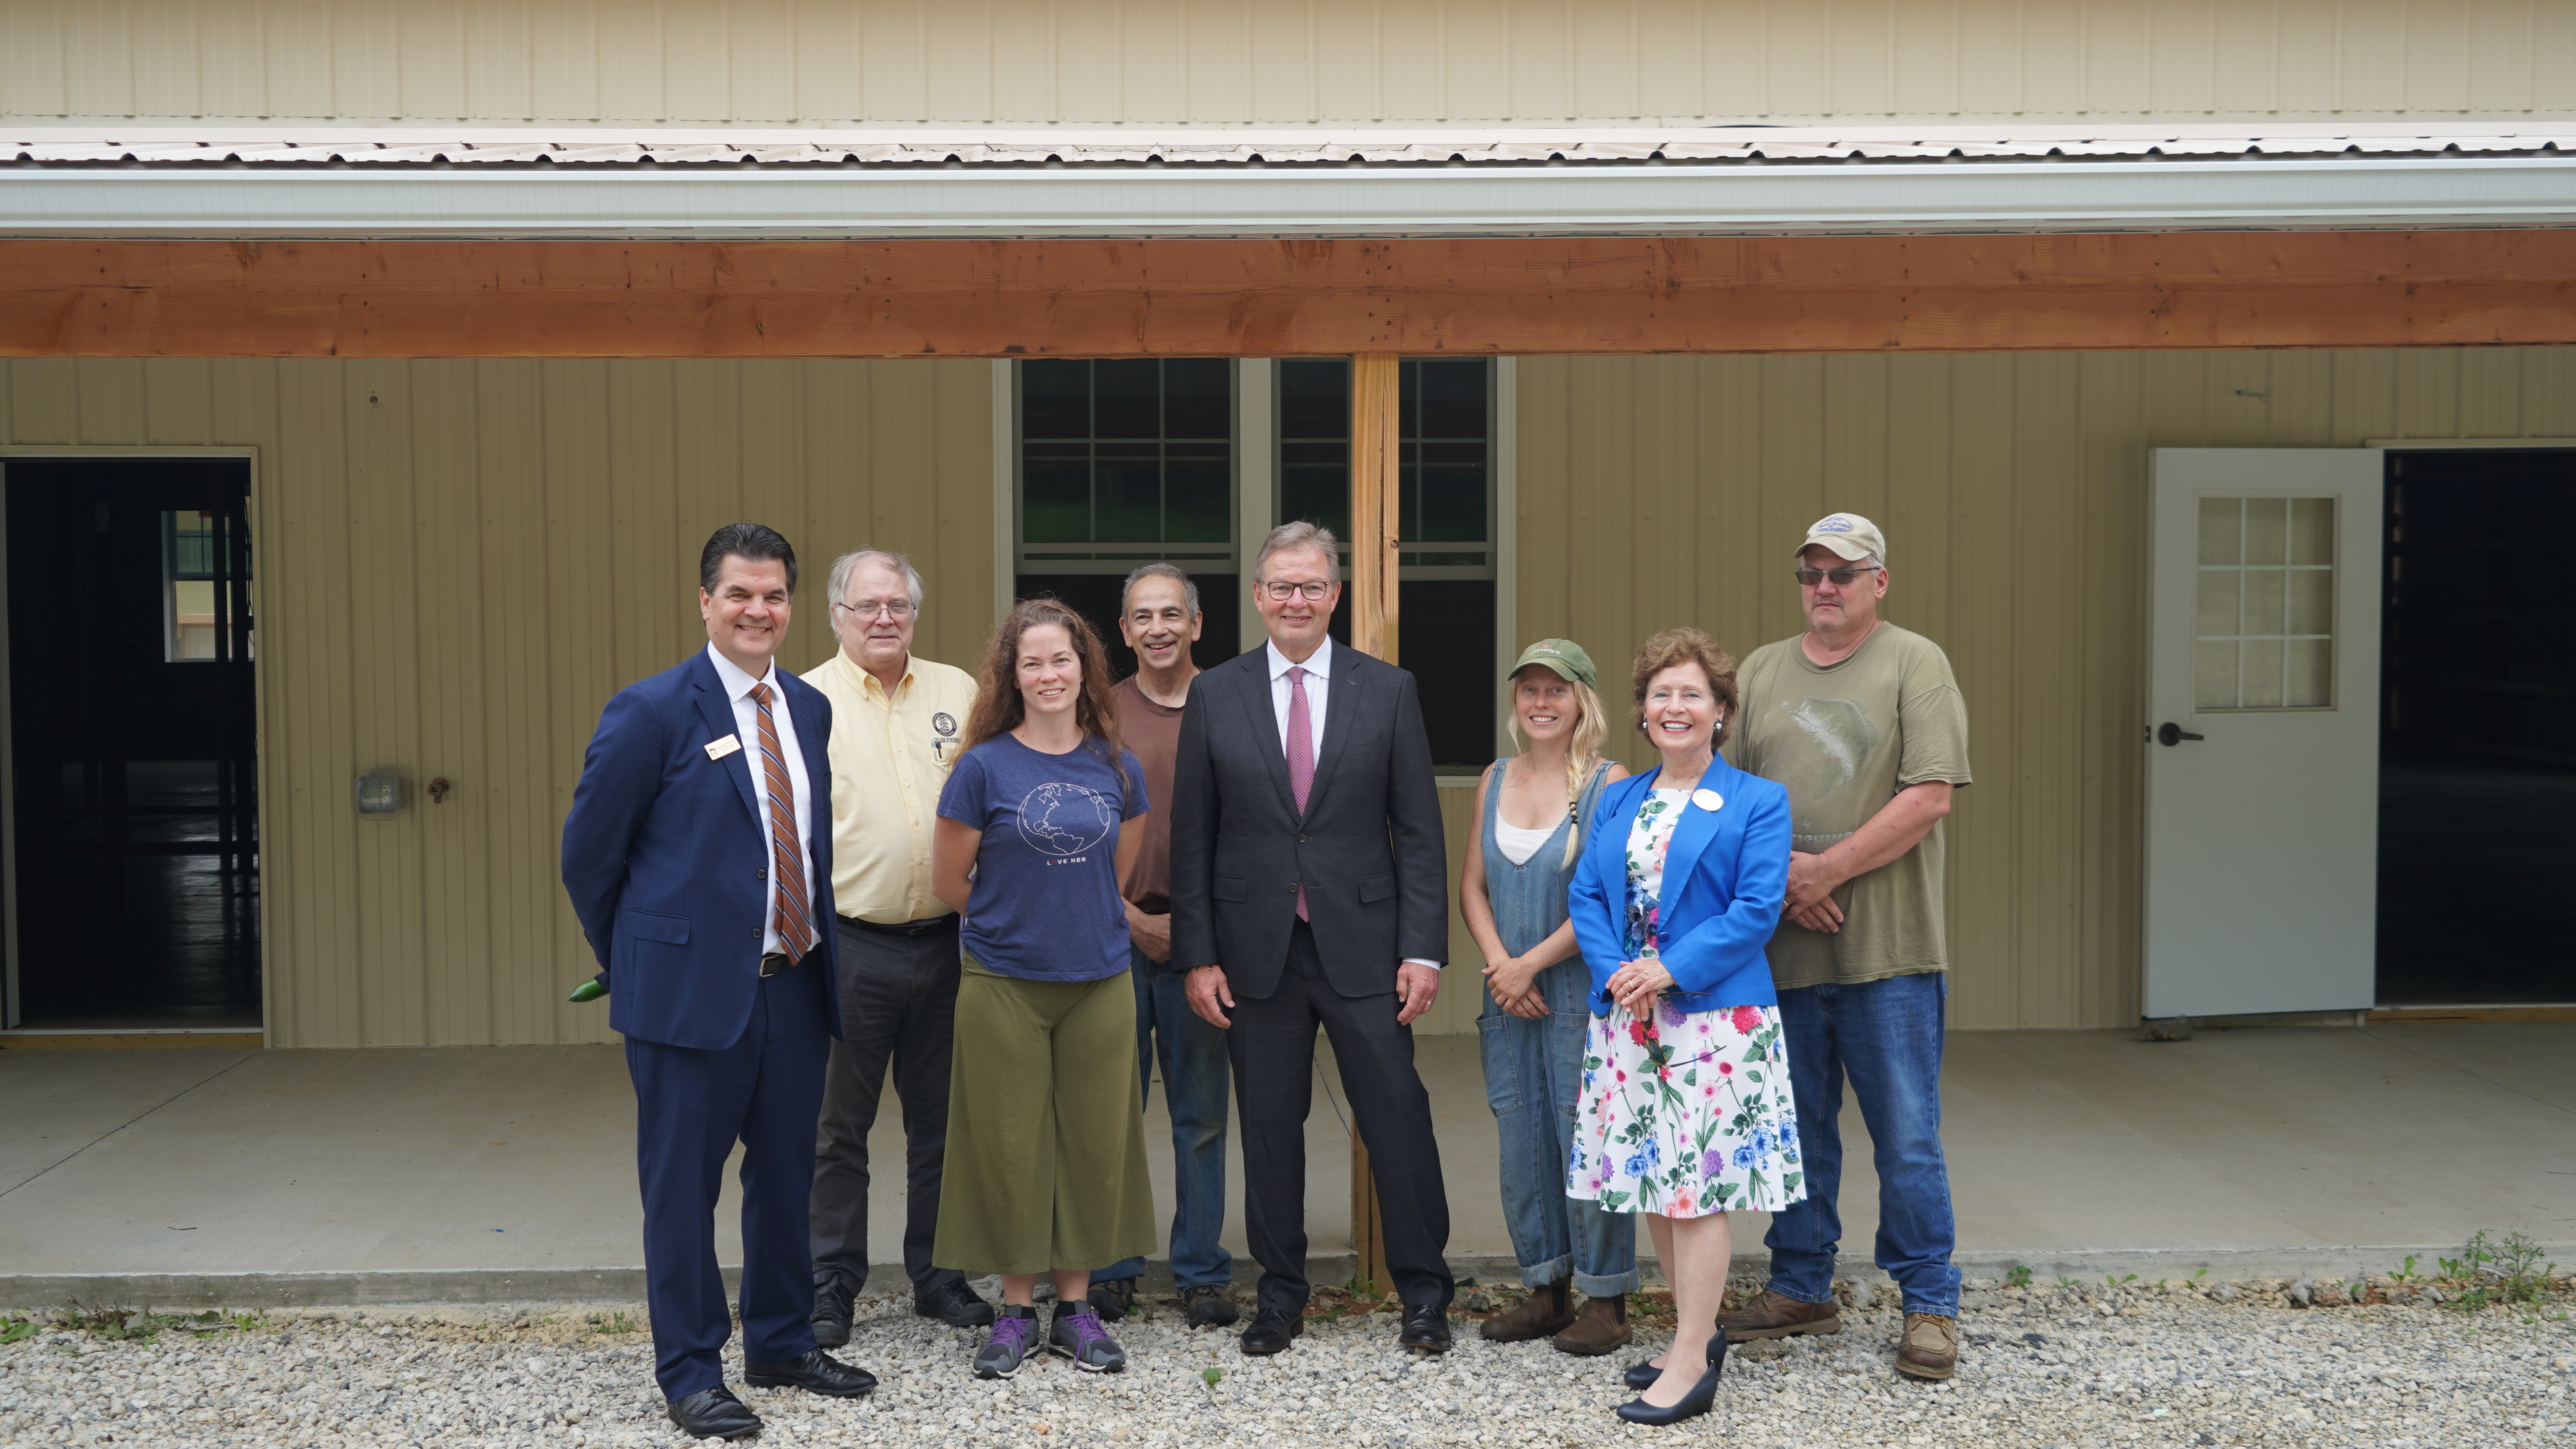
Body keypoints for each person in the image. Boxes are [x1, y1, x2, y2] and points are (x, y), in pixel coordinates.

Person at [560, 522, 878, 1442]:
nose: (758, 609)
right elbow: (591, 858)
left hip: (794, 982)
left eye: (774, 594)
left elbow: (802, 846)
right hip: (688, 996)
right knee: (682, 1189)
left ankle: (781, 1340)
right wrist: (637, 957)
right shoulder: (652, 710)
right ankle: (691, 1370)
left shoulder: (809, 709)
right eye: (740, 593)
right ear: (706, 601)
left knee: (786, 1179)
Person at [1170, 521, 1454, 1358]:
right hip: (1255, 950)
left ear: (1335, 594)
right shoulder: (1217, 692)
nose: (1297, 599)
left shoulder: (1388, 688)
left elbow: (1420, 831)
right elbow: (1193, 836)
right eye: (1281, 586)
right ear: (1258, 597)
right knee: (1267, 1126)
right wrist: (1197, 952)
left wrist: (1423, 948)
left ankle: (1425, 1293)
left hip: (1367, 946)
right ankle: (1280, 1295)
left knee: (1398, 1117)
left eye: (1313, 585)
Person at [1713, 512, 1973, 1381]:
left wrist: (1824, 871)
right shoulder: (1759, 669)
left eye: (1844, 573)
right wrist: (1789, 871)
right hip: (1781, 952)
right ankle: (1800, 1284)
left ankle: (1929, 1301)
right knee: (1794, 1133)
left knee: (1906, 1135)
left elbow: (1930, 794)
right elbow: (1726, 794)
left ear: (1880, 582)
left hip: (1890, 952)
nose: (1825, 587)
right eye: (1812, 573)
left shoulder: (1916, 662)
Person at [1567, 627, 1800, 1427]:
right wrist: (1617, 974)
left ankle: (1695, 1358)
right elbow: (1588, 900)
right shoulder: (1622, 797)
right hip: (1631, 1018)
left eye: (1692, 694)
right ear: (1642, 711)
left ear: (1721, 712)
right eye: (1661, 694)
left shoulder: (1757, 802)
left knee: (1697, 1193)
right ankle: (1685, 1339)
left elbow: (1756, 910)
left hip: (1715, 1019)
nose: (1676, 707)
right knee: (1658, 1190)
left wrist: (1667, 969)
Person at [930, 597, 1160, 1380]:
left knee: (1094, 1148)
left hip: (1100, 981)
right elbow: (949, 879)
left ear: (1084, 667)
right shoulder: (983, 767)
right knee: (1010, 1148)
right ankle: (1015, 1314)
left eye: (1061, 659)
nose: (1049, 673)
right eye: (1032, 662)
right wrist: (1014, 922)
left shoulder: (1114, 766)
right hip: (1002, 983)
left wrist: (1072, 916)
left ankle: (1077, 1311)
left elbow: (1118, 875)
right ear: (1012, 675)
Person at [803, 548, 993, 1346]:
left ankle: (939, 1276)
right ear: (838, 616)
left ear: (915, 613)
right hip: (848, 946)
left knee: (943, 1122)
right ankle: (829, 1284)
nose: (886, 619)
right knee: (835, 1129)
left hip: (948, 942)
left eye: (899, 607)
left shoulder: (958, 690)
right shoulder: (802, 700)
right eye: (868, 606)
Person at [1460, 639, 1637, 1354]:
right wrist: (1503, 966)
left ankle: (1606, 1300)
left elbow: (1606, 901)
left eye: (1556, 690)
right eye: (1528, 689)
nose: (1540, 702)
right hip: (1510, 993)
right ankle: (1546, 1289)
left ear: (1582, 701)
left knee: (1587, 1140)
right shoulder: (1495, 776)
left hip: (1579, 992)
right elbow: (1472, 885)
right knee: (1522, 1139)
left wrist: (1528, 964)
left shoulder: (1608, 782)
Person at [1088, 564, 1240, 1330]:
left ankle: (1202, 1270)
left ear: (1197, 624)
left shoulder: (1234, 706)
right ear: (1124, 631)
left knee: (1202, 1116)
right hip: (1112, 938)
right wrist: (1126, 917)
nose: (1157, 628)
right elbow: (1074, 839)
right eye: (1142, 616)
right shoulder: (1099, 717)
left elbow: (1252, 834)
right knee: (1113, 1113)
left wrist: (1202, 933)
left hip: (1203, 946)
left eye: (1171, 615)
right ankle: (1113, 1266)